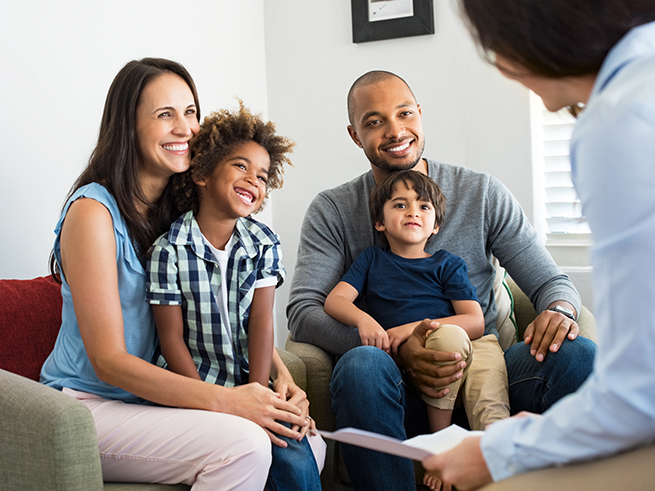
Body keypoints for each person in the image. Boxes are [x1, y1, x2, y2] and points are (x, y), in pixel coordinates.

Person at [287, 68, 597, 490]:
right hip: (389, 387)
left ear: (420, 114)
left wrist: (559, 311)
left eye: (405, 113)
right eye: (374, 121)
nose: (396, 131)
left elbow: (550, 283)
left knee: (578, 355)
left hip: (486, 371)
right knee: (362, 365)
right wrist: (398, 348)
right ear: (354, 134)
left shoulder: (481, 193)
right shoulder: (333, 210)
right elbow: (305, 312)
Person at [40, 58, 311, 490]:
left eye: (190, 113)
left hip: (153, 401)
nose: (184, 128)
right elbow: (108, 362)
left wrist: (280, 378)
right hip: (86, 405)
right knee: (246, 444)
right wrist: (230, 402)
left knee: (304, 443)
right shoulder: (92, 213)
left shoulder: (183, 214)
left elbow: (226, 311)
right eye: (165, 115)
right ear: (128, 126)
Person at [420, 1, 655, 489]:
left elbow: (638, 394)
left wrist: (503, 449)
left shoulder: (618, 121)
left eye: (492, 46)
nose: (500, 66)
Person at [146, 102, 324, 490]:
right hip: (189, 385)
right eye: (240, 166)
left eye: (262, 175)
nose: (253, 180)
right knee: (277, 449)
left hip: (247, 382)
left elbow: (261, 322)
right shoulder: (169, 250)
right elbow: (170, 339)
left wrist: (260, 397)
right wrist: (207, 401)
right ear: (203, 172)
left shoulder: (263, 243)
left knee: (294, 442)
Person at [325, 170, 508, 490]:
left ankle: (490, 463)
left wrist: (409, 329)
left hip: (461, 346)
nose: (413, 211)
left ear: (436, 225)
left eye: (424, 207)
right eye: (400, 205)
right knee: (439, 342)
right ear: (379, 222)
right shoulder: (371, 260)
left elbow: (474, 320)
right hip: (406, 373)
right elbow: (336, 300)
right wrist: (364, 320)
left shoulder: (447, 263)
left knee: (483, 392)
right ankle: (439, 451)